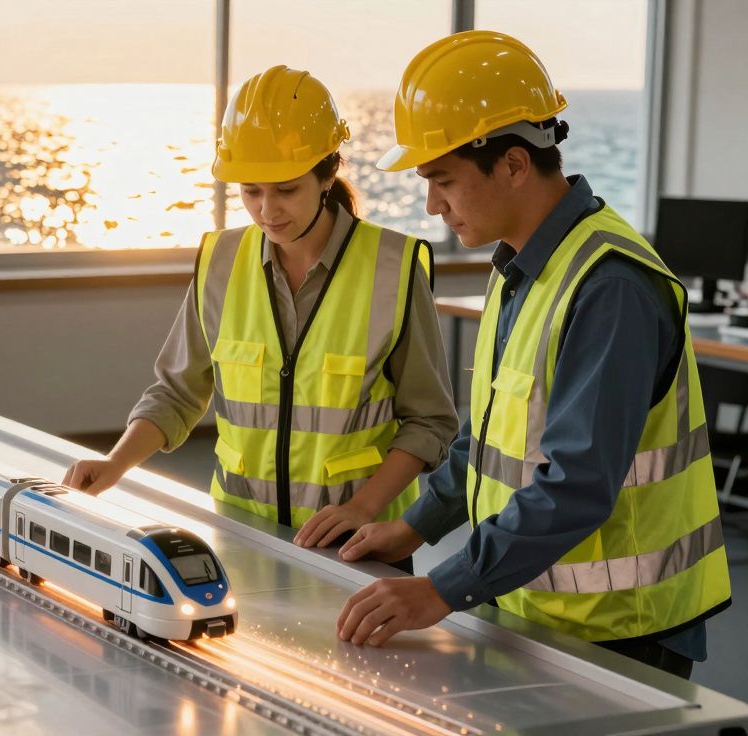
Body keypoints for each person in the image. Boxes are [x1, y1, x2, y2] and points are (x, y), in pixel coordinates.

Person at [335, 30, 731, 679]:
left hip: (620, 629)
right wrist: (414, 527)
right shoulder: (524, 265)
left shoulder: (609, 287)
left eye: (443, 181)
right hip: (535, 605)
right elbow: (493, 438)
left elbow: (576, 484)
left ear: (515, 164)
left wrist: (441, 587)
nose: (432, 206)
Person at [64, 65, 458, 556]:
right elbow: (177, 393)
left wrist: (363, 508)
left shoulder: (392, 268)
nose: (267, 210)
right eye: (251, 191)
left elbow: (430, 422)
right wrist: (115, 464)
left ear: (327, 174)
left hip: (357, 545)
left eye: (286, 189)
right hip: (239, 534)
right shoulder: (220, 262)